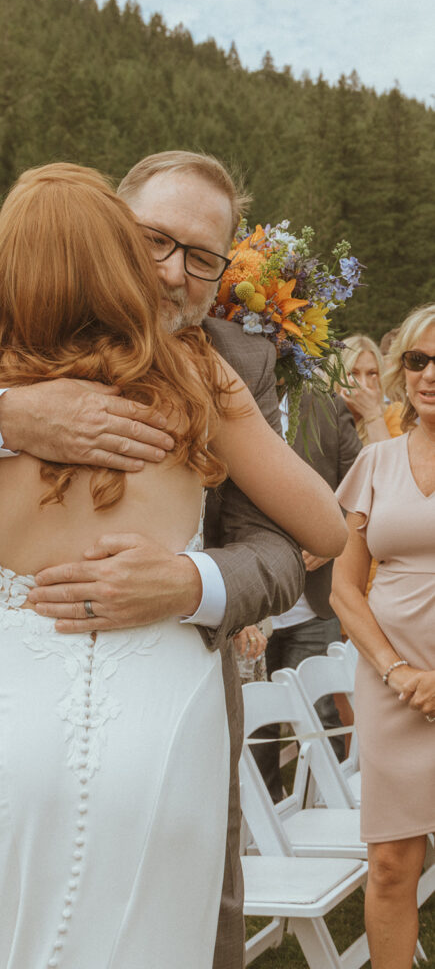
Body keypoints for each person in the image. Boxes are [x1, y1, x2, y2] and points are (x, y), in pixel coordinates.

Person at [0, 149, 309, 968]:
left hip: (171, 713)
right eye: (153, 240)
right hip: (4, 704)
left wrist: (192, 582)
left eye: (202, 257)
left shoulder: (230, 361)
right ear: (107, 229)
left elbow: (284, 548)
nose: (174, 273)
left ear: (222, 273)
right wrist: (4, 416)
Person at [331, 302, 435, 969]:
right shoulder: (375, 460)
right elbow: (344, 588)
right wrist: (398, 671)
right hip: (393, 689)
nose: (428, 375)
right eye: (419, 360)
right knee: (393, 865)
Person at [252, 391, 361, 799]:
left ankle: (325, 813)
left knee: (321, 723)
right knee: (254, 732)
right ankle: (265, 837)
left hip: (311, 605)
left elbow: (362, 491)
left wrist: (332, 533)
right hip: (248, 609)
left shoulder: (324, 404)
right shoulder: (227, 401)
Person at [337, 334, 403, 444]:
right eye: (353, 373)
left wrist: (372, 415)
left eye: (372, 373)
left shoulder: (393, 414)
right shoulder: (318, 414)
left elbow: (389, 460)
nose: (363, 383)